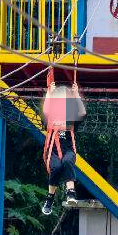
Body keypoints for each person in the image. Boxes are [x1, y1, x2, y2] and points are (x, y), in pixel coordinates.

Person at [40, 80, 85, 215]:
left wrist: (76, 95)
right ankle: (50, 198)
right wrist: (49, 94)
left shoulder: (71, 120)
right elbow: (46, 110)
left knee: (66, 162)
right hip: (52, 151)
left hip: (68, 150)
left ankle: (71, 192)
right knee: (57, 167)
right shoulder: (50, 119)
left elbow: (82, 112)